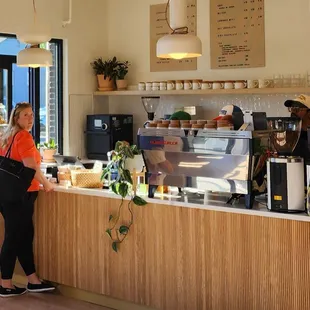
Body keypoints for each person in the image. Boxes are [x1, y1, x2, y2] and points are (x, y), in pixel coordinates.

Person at [0, 102, 55, 297]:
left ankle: (32, 280)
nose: (30, 118)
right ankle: (5, 283)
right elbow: (31, 166)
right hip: (21, 194)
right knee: (14, 237)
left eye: (32, 114)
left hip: (6, 194)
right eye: (25, 115)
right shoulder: (23, 136)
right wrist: (47, 184)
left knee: (23, 236)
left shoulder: (7, 135)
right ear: (16, 118)